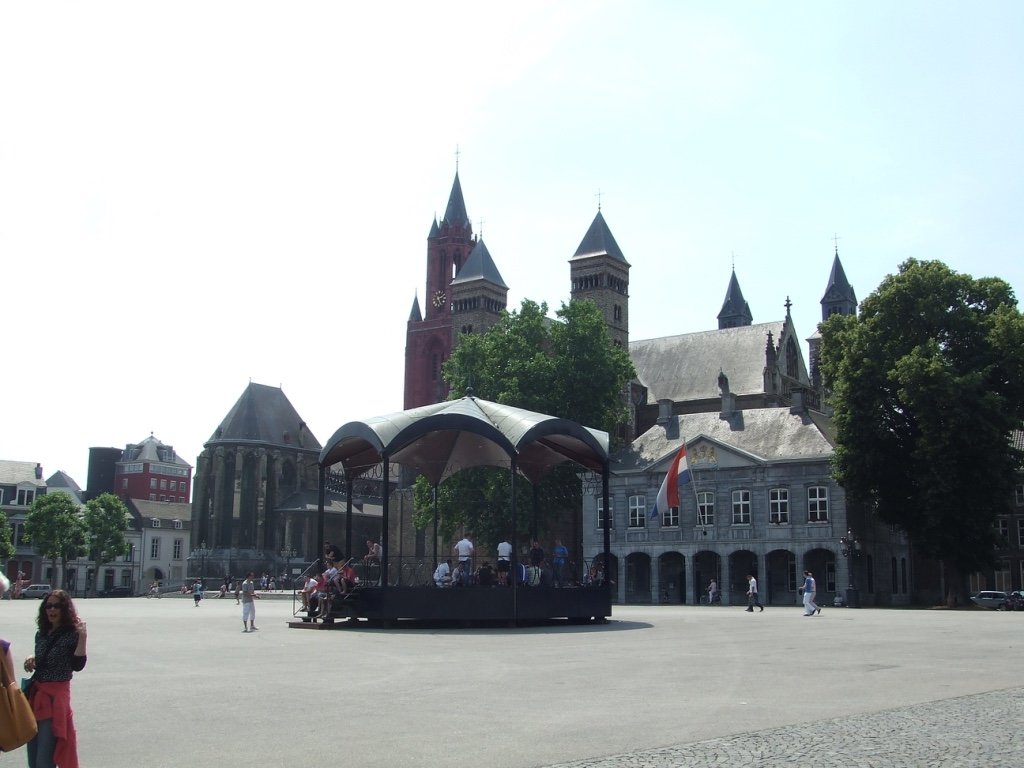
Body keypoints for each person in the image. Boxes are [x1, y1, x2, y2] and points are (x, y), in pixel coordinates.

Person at [24, 589, 87, 768]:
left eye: (57, 606)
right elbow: (45, 657)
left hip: (54, 701)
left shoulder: (72, 633)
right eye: (48, 606)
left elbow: (78, 665)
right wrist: (32, 657)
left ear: (65, 609)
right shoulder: (42, 633)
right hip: (36, 698)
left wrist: (83, 637)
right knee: (33, 754)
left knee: (44, 759)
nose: (52, 610)